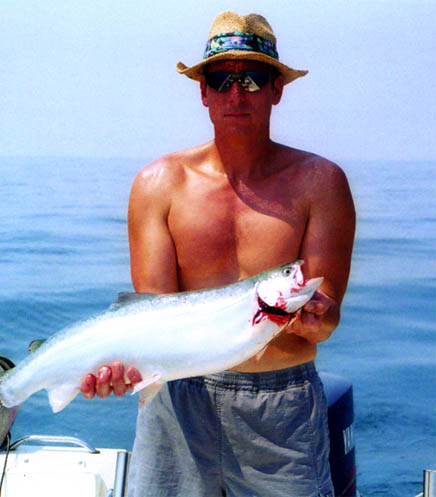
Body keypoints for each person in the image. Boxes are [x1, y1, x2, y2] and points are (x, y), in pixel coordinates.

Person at [81, 11, 355, 497]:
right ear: (203, 91)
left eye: (252, 79)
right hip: (176, 405)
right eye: (221, 78)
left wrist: (312, 316)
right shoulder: (158, 185)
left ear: (277, 90)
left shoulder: (321, 183)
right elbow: (155, 319)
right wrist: (120, 370)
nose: (236, 93)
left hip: (283, 412)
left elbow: (326, 319)